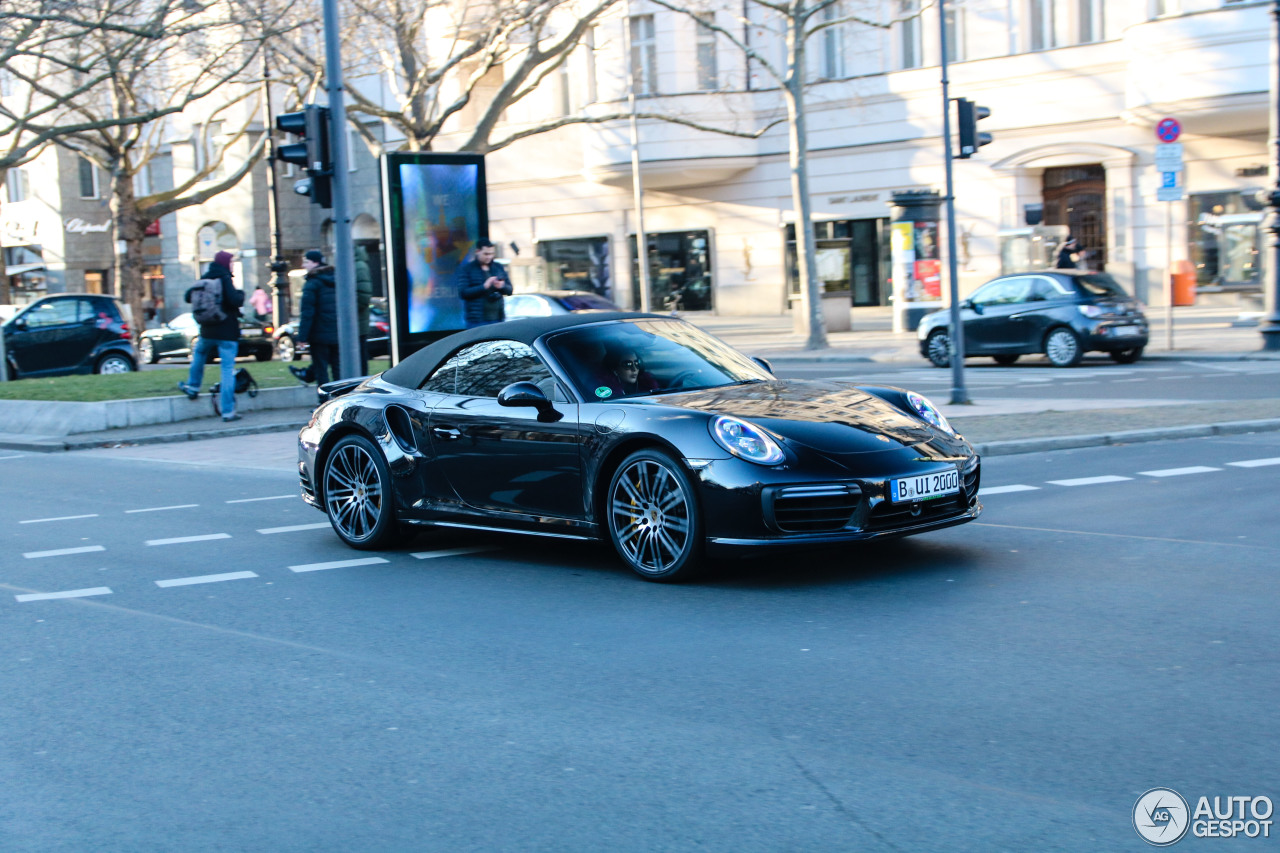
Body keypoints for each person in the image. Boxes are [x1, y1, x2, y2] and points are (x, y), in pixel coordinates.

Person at [177, 250, 245, 422]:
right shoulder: (224, 278)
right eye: (230, 261)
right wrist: (241, 294)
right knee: (227, 370)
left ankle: (193, 386)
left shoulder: (204, 278)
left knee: (199, 355)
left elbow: (187, 297)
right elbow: (234, 300)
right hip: (227, 332)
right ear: (226, 263)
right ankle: (228, 412)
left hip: (207, 330)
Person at [293, 249, 340, 388]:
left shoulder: (312, 283)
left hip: (319, 334)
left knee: (321, 371)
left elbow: (307, 312)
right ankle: (340, 399)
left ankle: (323, 402)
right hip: (336, 333)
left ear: (315, 262)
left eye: (306, 262)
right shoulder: (336, 279)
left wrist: (302, 337)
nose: (303, 265)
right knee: (338, 369)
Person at [457, 239, 512, 328]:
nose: (489, 257)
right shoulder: (467, 269)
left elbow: (510, 290)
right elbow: (463, 293)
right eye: (486, 254)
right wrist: (484, 286)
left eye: (491, 254)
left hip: (498, 318)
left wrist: (502, 286)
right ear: (477, 251)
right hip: (476, 321)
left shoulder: (498, 267)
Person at [353, 245, 374, 374]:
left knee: (360, 356)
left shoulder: (359, 266)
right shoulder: (356, 265)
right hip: (357, 320)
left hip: (357, 321)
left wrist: (350, 311)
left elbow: (363, 295)